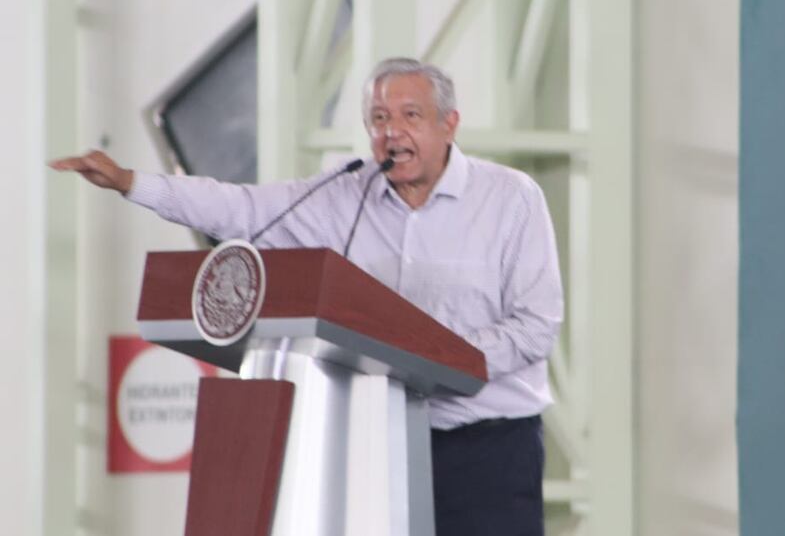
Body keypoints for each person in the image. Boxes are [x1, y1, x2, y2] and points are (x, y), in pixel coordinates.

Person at [51, 57, 564, 535]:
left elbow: (536, 325)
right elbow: (241, 209)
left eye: (411, 115)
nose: (392, 132)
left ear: (449, 124)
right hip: (376, 445)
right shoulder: (344, 194)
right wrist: (130, 183)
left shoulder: (510, 199)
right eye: (379, 118)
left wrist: (445, 360)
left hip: (486, 448)